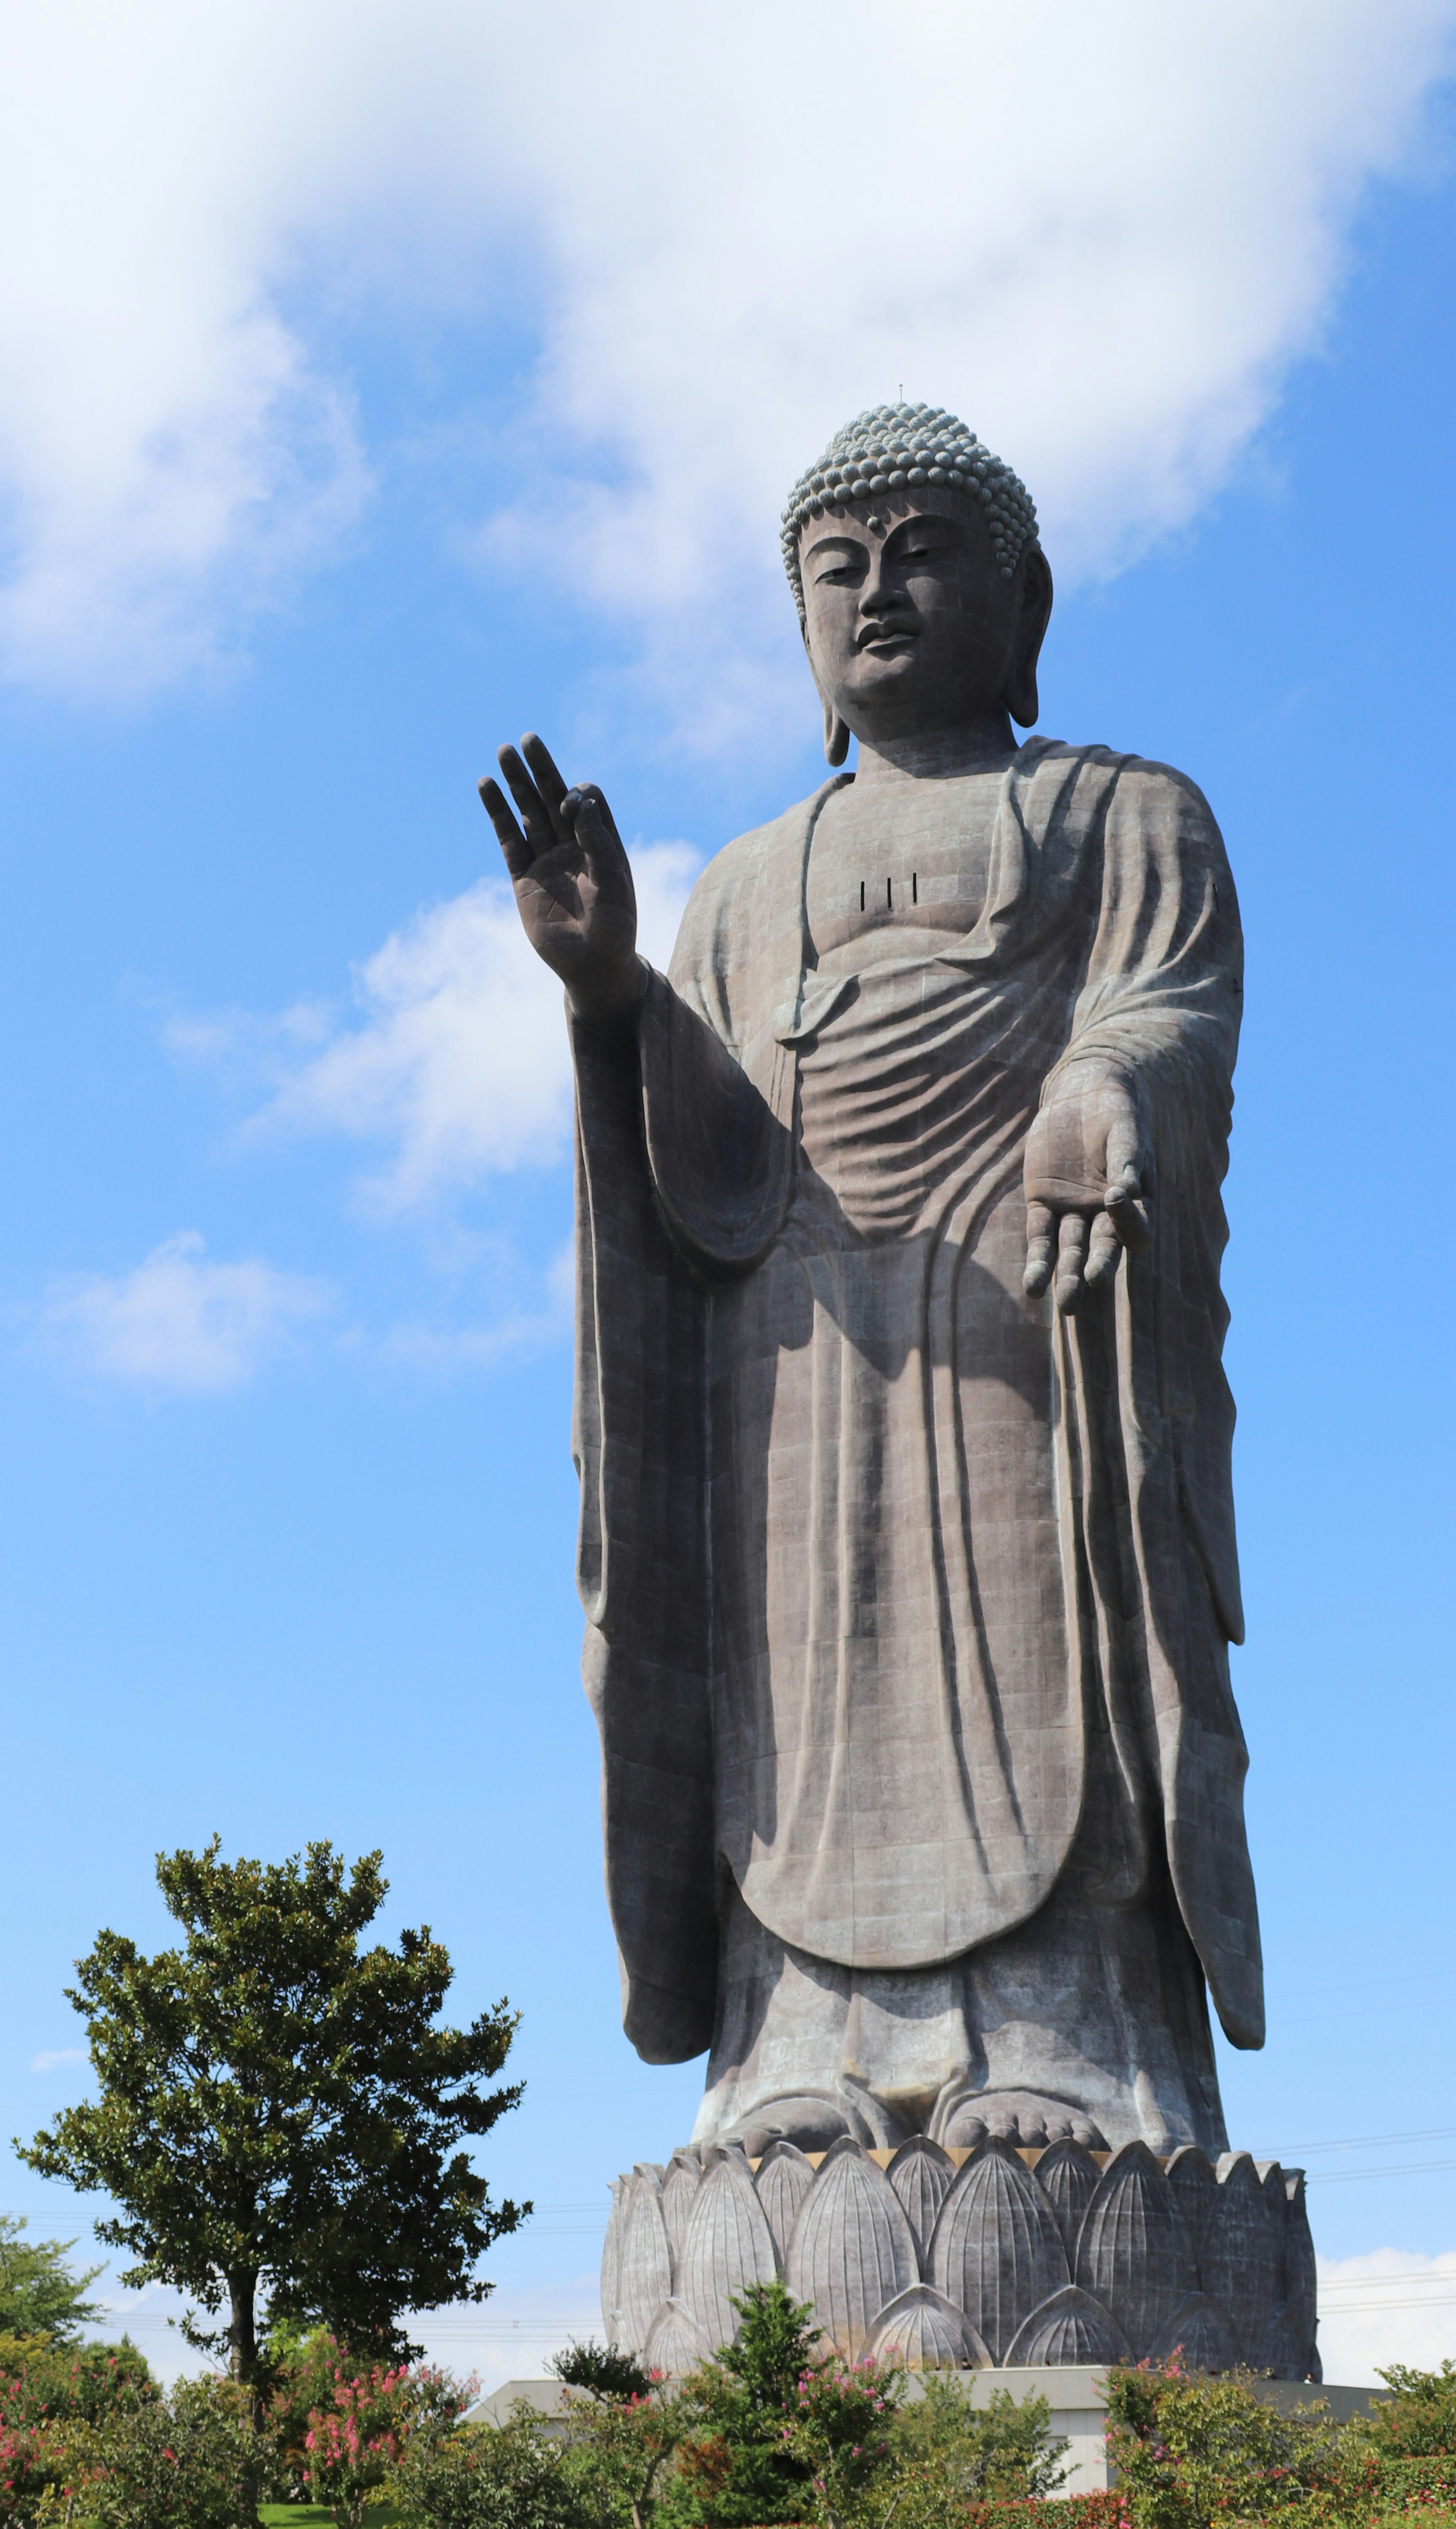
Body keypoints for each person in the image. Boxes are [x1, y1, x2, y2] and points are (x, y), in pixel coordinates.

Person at [479, 403, 1260, 2156]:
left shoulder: (1123, 814)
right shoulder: (749, 883)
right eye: (840, 567)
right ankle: (791, 2055)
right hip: (795, 1358)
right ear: (803, 629)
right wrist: (608, 993)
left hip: (1027, 1320)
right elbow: (710, 1159)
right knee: (795, 1693)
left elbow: (1167, 1003)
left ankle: (1072, 2042)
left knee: (1046, 1652)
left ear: (1024, 597)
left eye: (924, 553)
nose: (881, 589)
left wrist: (1095, 1086)